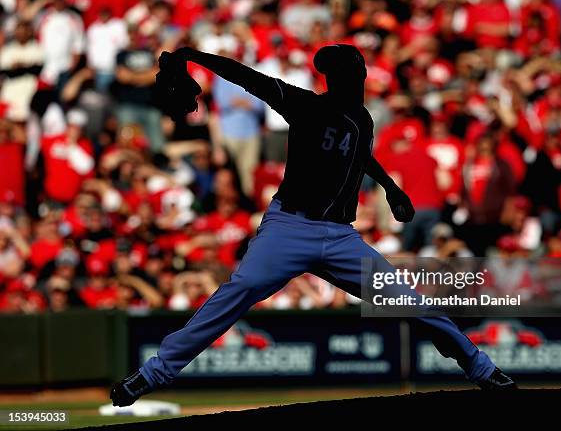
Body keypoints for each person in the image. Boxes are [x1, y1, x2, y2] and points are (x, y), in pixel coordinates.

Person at [111, 44, 516, 406]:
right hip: (289, 227)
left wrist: (391, 187)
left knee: (408, 299)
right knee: (237, 292)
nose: (346, 80)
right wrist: (194, 56)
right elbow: (247, 77)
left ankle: (480, 368)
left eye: (347, 73)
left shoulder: (363, 118)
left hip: (340, 237)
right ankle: (153, 373)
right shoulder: (306, 105)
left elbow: (358, 153)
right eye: (341, 75)